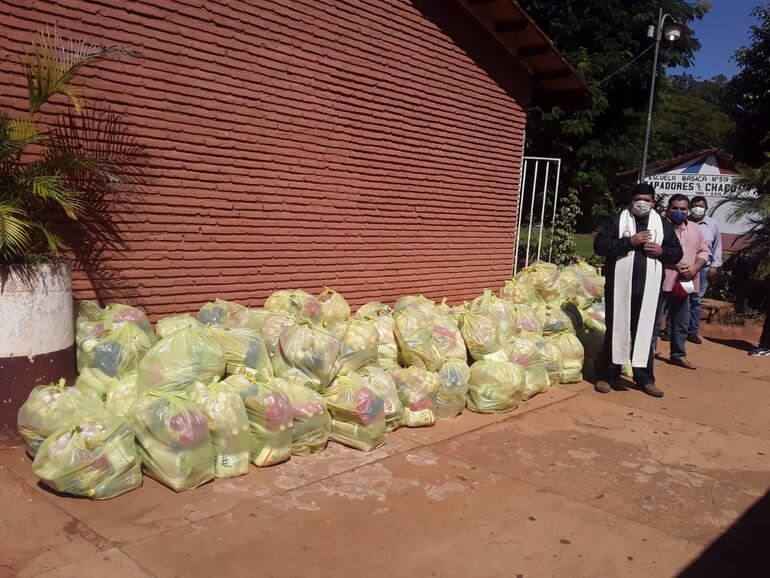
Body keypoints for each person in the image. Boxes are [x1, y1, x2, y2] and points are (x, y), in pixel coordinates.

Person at [594, 183, 683, 397]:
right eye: (637, 199)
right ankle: (608, 376)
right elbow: (600, 246)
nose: (642, 203)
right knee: (616, 329)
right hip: (619, 287)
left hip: (648, 289)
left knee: (644, 332)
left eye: (647, 200)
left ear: (653, 202)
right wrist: (629, 242)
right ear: (630, 201)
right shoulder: (617, 220)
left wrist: (662, 250)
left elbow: (676, 253)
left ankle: (645, 379)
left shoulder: (662, 224)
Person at [653, 194, 709, 369]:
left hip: (686, 282)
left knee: (681, 321)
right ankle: (647, 353)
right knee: (654, 320)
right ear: (668, 209)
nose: (678, 212)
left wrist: (695, 267)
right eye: (675, 208)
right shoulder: (659, 227)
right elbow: (652, 252)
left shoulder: (695, 228)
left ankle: (678, 355)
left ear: (688, 210)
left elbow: (704, 251)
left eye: (682, 209)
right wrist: (675, 264)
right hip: (662, 280)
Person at [682, 196, 723, 343]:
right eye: (694, 205)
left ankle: (692, 332)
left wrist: (715, 265)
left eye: (700, 206)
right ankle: (672, 330)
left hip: (703, 269)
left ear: (706, 208)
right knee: (679, 298)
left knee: (696, 300)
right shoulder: (683, 221)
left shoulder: (712, 224)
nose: (697, 208)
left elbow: (717, 245)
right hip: (684, 268)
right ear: (690, 207)